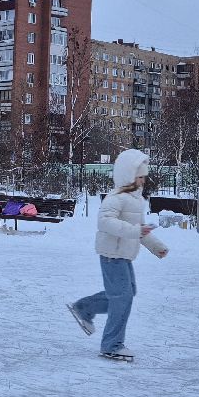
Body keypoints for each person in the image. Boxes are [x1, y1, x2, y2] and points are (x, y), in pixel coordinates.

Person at [67, 148, 168, 362]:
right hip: (112, 253)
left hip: (123, 254)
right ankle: (112, 345)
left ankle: (83, 307)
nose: (142, 181)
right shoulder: (116, 198)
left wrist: (155, 246)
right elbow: (105, 222)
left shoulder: (134, 199)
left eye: (143, 177)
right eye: (139, 177)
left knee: (126, 293)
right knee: (122, 296)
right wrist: (135, 231)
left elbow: (138, 228)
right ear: (128, 175)